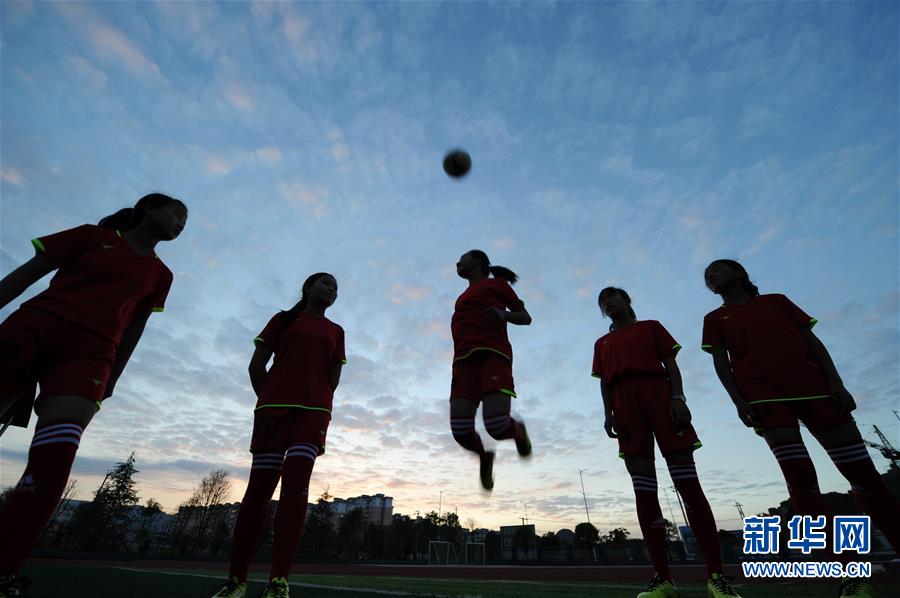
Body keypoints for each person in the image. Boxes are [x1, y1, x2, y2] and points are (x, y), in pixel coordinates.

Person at [0, 193, 186, 597]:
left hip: (91, 355)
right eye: (177, 212)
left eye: (184, 221)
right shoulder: (89, 236)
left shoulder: (161, 275)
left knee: (56, 454)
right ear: (149, 207)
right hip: (32, 328)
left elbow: (135, 327)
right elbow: (29, 273)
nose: (181, 223)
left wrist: (114, 375)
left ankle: (4, 569)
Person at [702, 259, 899, 598]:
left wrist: (836, 382)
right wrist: (739, 400)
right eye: (707, 276)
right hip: (765, 400)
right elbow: (722, 363)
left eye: (718, 269)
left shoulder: (777, 301)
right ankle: (851, 574)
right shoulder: (715, 319)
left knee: (863, 474)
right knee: (801, 480)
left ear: (740, 273)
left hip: (818, 391)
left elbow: (812, 342)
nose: (711, 276)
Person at [592, 287, 740, 598]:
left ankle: (716, 576)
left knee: (688, 485)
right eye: (603, 301)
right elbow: (605, 382)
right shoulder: (601, 343)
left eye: (614, 296)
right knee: (644, 489)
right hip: (625, 405)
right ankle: (663, 578)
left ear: (628, 301)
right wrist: (609, 413)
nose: (609, 302)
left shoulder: (651, 327)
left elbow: (670, 364)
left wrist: (677, 396)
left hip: (658, 395)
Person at [211, 273, 345, 598]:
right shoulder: (284, 320)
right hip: (274, 410)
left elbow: (333, 378)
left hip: (313, 413)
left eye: (335, 288)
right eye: (324, 283)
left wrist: (317, 400)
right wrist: (268, 399)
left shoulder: (336, 331)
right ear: (308, 288)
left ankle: (279, 582)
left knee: (296, 486)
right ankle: (237, 581)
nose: (330, 289)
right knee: (259, 488)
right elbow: (256, 366)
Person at [449, 250, 532, 491]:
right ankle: (484, 457)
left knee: (496, 426)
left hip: (493, 355)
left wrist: (503, 314)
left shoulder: (497, 284)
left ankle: (518, 431)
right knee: (461, 431)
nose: (457, 261)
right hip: (463, 362)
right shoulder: (462, 296)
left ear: (478, 262)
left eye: (462, 257)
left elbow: (525, 317)